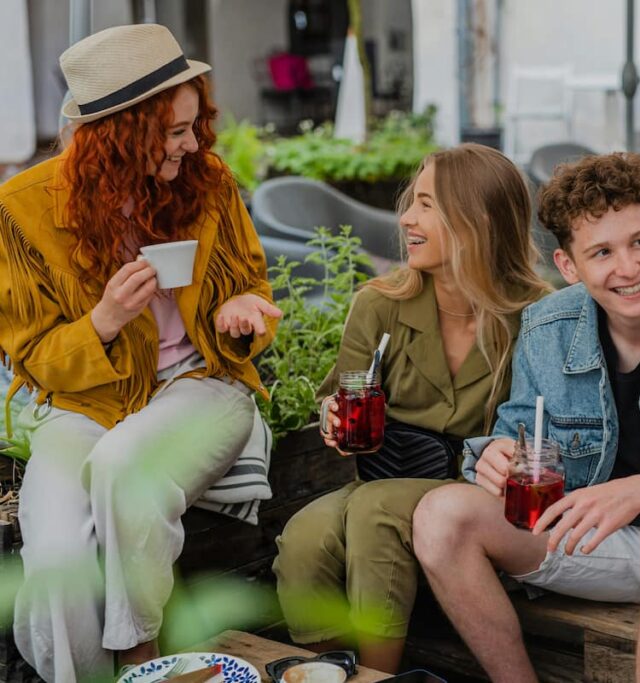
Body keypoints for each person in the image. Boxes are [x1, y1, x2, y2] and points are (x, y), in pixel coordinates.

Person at [412, 152, 640, 682]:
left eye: (638, 242)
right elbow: (519, 435)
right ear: (568, 266)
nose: (629, 268)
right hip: (597, 544)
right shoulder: (546, 326)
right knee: (440, 514)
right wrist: (496, 458)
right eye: (602, 252)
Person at [0, 24, 282, 682]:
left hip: (201, 383)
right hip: (85, 401)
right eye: (176, 131)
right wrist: (104, 319)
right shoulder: (21, 210)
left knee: (127, 465)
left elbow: (252, 286)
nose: (194, 144)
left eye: (193, 126)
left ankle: (141, 655)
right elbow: (33, 355)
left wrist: (238, 316)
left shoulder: (205, 182)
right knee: (55, 553)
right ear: (121, 133)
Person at [272, 143, 551, 673]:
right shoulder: (379, 304)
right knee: (304, 539)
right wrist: (335, 416)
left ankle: (378, 674)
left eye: (427, 205)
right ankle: (325, 670)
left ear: (479, 221)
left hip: (477, 499)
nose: (406, 218)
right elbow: (341, 392)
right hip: (387, 474)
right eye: (412, 202)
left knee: (375, 515)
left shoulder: (535, 315)